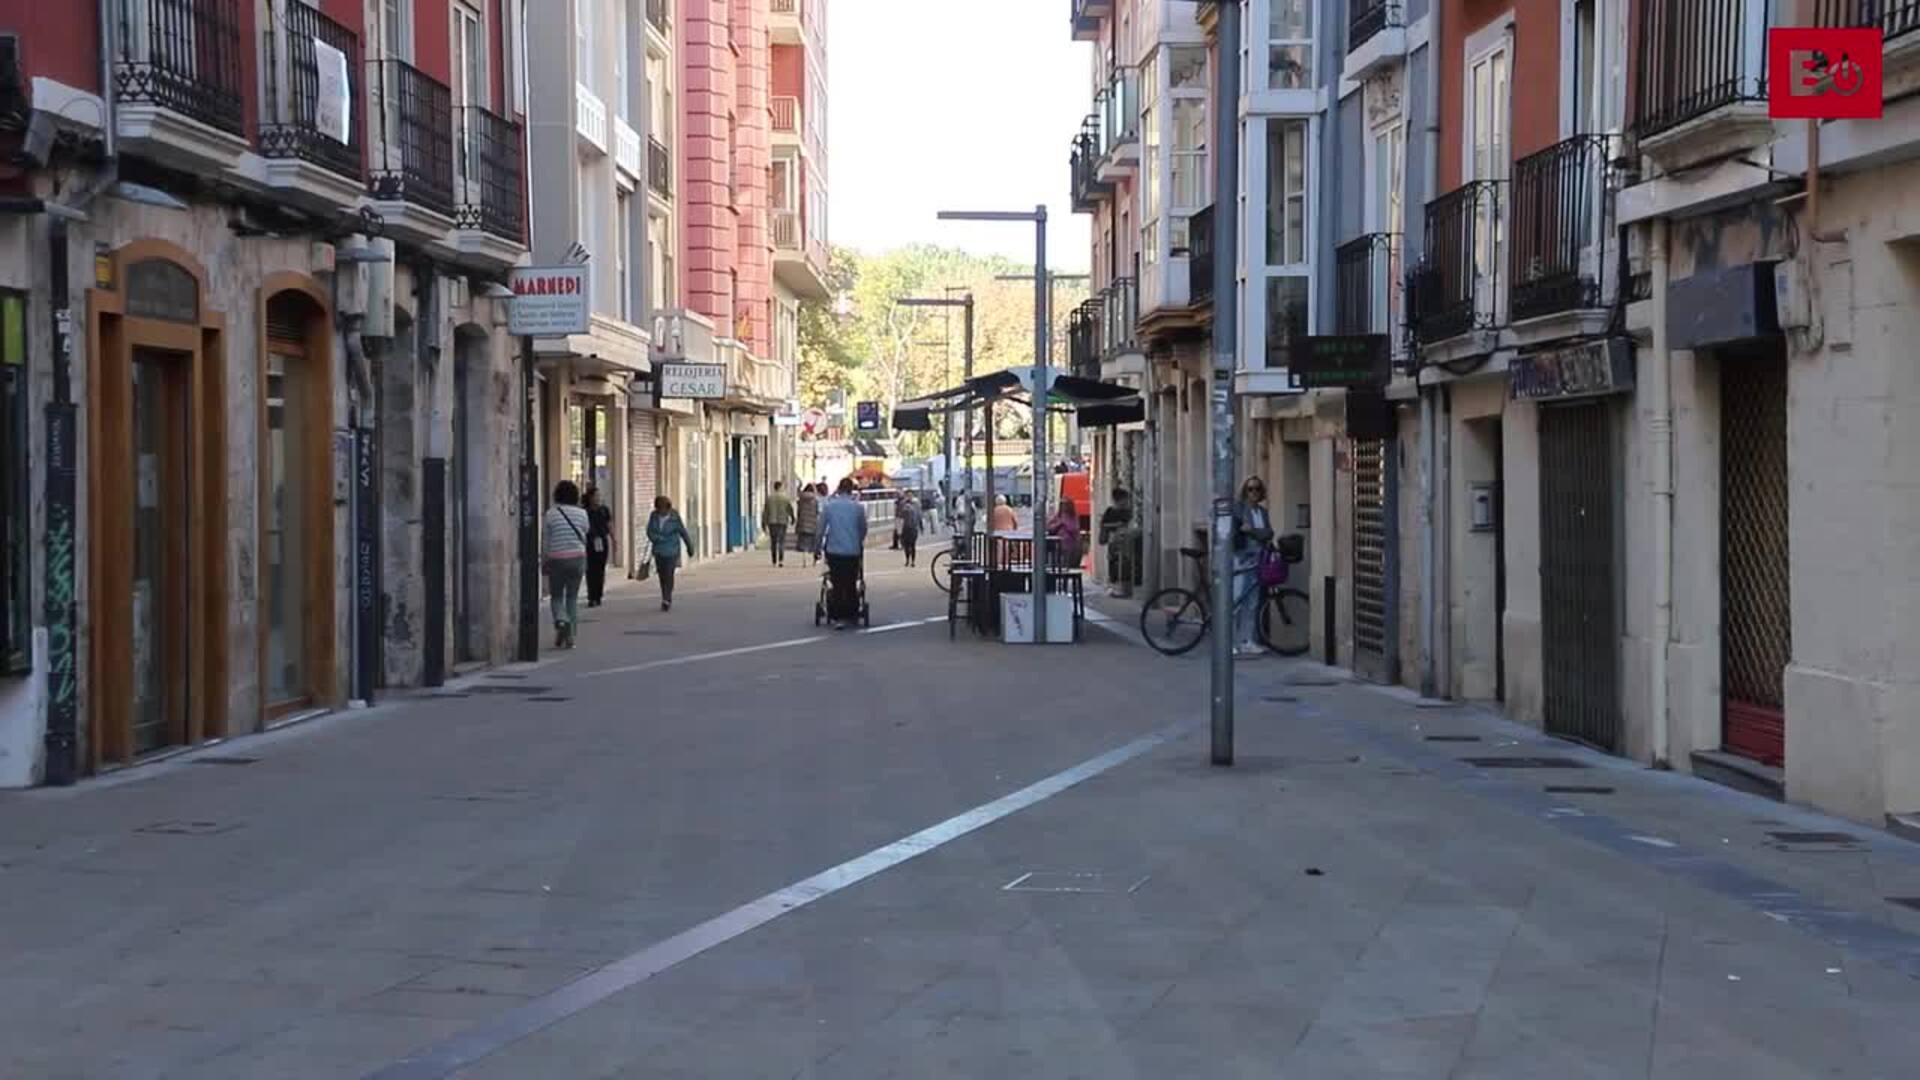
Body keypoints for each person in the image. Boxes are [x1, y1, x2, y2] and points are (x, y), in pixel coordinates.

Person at [542, 480, 590, 648]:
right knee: (572, 597)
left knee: (556, 596)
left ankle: (561, 620)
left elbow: (546, 540)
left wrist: (544, 559)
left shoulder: (550, 514)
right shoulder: (582, 514)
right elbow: (585, 531)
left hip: (556, 558)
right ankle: (570, 637)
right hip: (577, 557)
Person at [1232, 476, 1275, 658]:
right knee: (1237, 602)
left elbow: (1269, 533)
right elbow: (1238, 532)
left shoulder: (1263, 513)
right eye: (1250, 489)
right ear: (1244, 491)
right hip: (1242, 560)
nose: (1254, 493)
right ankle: (1231, 642)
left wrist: (1255, 533)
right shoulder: (1240, 510)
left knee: (1253, 602)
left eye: (1257, 489)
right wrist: (1259, 534)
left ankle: (1247, 640)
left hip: (1259, 559)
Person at [819, 477, 868, 629]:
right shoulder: (858, 508)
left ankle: (838, 615)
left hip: (834, 550)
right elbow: (863, 529)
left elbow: (820, 529)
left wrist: (816, 548)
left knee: (837, 582)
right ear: (851, 490)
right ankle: (851, 614)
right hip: (852, 551)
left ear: (839, 489)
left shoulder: (829, 507)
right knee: (851, 582)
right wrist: (858, 541)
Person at [646, 495, 695, 612]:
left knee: (669, 574)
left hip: (672, 550)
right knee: (662, 575)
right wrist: (656, 538)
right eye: (660, 509)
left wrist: (690, 547)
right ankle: (665, 595)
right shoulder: (653, 516)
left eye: (664, 509)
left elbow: (683, 532)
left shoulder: (674, 517)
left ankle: (667, 598)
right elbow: (649, 531)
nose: (662, 511)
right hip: (659, 551)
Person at [1099, 488, 1137, 598]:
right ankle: (1116, 587)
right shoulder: (1111, 511)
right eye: (1125, 499)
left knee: (1124, 563)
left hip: (1123, 541)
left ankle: (1124, 589)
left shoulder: (1126, 512)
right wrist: (1117, 525)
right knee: (1115, 563)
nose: (1126, 501)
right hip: (1113, 541)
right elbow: (1103, 525)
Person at [583, 485, 615, 607]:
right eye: (595, 496)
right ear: (590, 498)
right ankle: (591, 596)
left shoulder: (604, 510)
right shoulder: (585, 511)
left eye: (599, 496)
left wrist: (614, 539)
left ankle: (598, 595)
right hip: (589, 542)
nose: (598, 498)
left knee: (600, 569)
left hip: (602, 541)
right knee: (590, 569)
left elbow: (609, 524)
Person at [763, 481, 795, 567]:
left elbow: (766, 512)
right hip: (782, 522)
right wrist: (792, 518)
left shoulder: (769, 498)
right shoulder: (785, 498)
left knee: (773, 542)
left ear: (774, 488)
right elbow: (790, 509)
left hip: (772, 522)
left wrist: (764, 523)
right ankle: (781, 560)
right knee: (781, 541)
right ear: (780, 487)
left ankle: (774, 561)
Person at [1047, 496, 1082, 568]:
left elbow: (1074, 529)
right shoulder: (1058, 516)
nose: (1064, 506)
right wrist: (1059, 524)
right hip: (1057, 545)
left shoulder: (1073, 516)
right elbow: (1049, 527)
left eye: (1065, 504)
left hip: (1070, 546)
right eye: (1062, 504)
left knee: (1067, 562)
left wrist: (1065, 524)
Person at [793, 482, 820, 568]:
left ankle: (804, 561)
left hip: (803, 524)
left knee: (803, 544)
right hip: (813, 524)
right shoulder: (815, 500)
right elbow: (817, 512)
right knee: (813, 543)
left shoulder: (801, 500)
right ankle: (813, 562)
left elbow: (799, 512)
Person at [898, 491, 923, 567]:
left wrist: (921, 526)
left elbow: (919, 515)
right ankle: (907, 560)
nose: (909, 497)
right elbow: (900, 515)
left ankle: (913, 561)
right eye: (907, 495)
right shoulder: (903, 504)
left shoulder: (916, 504)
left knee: (912, 545)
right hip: (905, 527)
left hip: (913, 527)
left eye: (910, 495)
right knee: (906, 545)